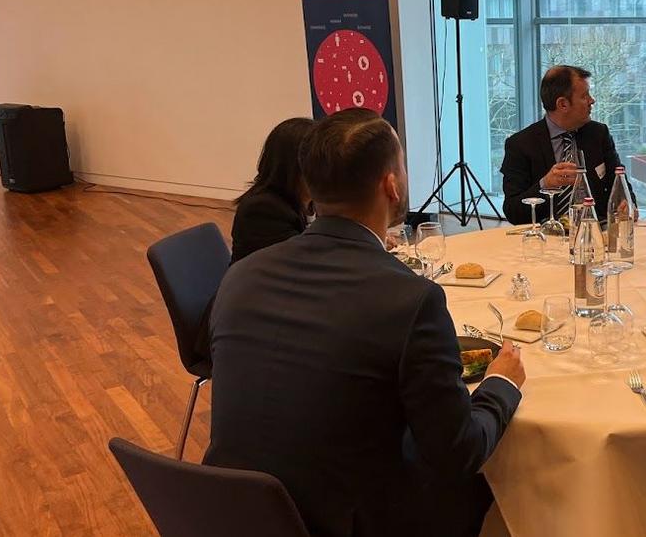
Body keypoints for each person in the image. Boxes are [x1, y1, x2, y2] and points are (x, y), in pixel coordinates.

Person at [205, 108, 525, 537]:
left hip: (228, 512)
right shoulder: (411, 300)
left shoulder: (240, 276)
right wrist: (501, 384)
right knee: (493, 487)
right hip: (343, 522)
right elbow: (458, 452)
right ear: (391, 184)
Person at [501, 65, 633, 225]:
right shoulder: (520, 145)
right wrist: (545, 184)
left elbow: (619, 181)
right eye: (585, 96)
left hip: (596, 231)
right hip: (548, 234)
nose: (592, 100)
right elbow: (512, 211)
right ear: (563, 104)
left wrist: (627, 204)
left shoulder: (598, 134)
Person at [229, 117, 314, 264]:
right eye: (318, 163)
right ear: (292, 166)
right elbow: (302, 262)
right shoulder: (262, 209)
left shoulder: (313, 200)